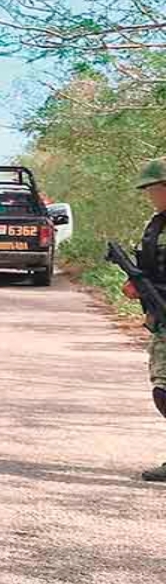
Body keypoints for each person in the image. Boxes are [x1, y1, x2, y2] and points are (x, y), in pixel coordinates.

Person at [121, 159, 166, 481]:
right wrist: (137, 285)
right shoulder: (156, 224)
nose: (151, 196)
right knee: (163, 391)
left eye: (155, 189)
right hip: (162, 318)